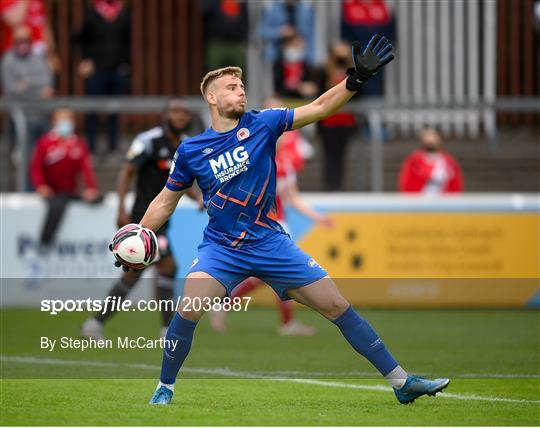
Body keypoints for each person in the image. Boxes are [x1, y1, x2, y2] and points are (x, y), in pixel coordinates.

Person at [112, 35, 449, 405]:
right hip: (222, 248)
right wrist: (140, 233)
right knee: (188, 307)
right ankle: (165, 387)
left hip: (271, 242)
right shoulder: (191, 150)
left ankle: (402, 383)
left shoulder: (264, 123)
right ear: (211, 97)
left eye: (241, 86)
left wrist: (356, 80)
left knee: (336, 305)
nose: (241, 91)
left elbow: (320, 107)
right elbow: (165, 200)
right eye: (231, 87)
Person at [81, 98, 203, 340]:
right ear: (165, 115)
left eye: (184, 113)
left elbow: (179, 182)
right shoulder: (148, 140)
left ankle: (95, 324)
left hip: (162, 220)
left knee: (141, 272)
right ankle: (165, 330)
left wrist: (197, 197)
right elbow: (127, 171)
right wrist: (121, 208)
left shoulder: (187, 145)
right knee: (164, 267)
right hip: (143, 220)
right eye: (175, 111)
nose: (180, 116)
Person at [210, 97, 332, 336]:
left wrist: (317, 217)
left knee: (270, 276)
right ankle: (281, 322)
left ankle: (229, 303)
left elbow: (292, 197)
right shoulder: (247, 158)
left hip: (279, 225)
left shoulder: (284, 162)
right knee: (277, 274)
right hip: (260, 226)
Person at [30, 109, 101, 247]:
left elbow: (86, 169)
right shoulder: (45, 143)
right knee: (58, 204)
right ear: (54, 122)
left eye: (68, 120)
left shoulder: (78, 144)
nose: (65, 123)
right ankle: (45, 240)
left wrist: (91, 188)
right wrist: (41, 186)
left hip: (69, 191)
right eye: (62, 120)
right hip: (51, 191)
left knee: (97, 199)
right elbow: (36, 167)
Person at [71, 0, 131, 154]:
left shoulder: (123, 14)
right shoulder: (92, 14)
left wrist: (126, 63)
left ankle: (113, 147)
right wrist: (84, 60)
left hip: (116, 71)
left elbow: (127, 41)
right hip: (96, 72)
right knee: (92, 110)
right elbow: (78, 39)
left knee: (115, 110)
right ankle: (91, 147)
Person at [1, 24, 54, 188]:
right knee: (25, 157)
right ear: (13, 41)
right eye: (19, 40)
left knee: (47, 157)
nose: (23, 43)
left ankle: (45, 187)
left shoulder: (39, 58)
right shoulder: (7, 60)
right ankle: (26, 190)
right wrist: (33, 88)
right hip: (21, 117)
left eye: (26, 40)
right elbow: (11, 90)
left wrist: (26, 85)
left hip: (42, 115)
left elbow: (47, 85)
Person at [316, 41, 358, 190]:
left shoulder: (353, 70)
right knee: (330, 156)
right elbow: (319, 96)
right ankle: (329, 186)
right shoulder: (325, 71)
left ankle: (338, 186)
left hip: (346, 121)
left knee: (341, 156)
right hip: (329, 122)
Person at [398, 127, 464, 194]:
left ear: (439, 139)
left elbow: (456, 184)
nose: (430, 139)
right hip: (419, 201)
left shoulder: (449, 162)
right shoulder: (413, 160)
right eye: (427, 136)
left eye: (433, 136)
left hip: (443, 201)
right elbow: (405, 182)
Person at [0, 0, 59, 71]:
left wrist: (51, 54)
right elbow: (15, 20)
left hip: (39, 52)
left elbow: (44, 25)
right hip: (18, 54)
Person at [200, 0, 248, 72]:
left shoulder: (241, 3)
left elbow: (246, 19)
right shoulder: (212, 3)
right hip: (217, 43)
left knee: (237, 75)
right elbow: (204, 9)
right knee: (214, 74)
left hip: (237, 43)